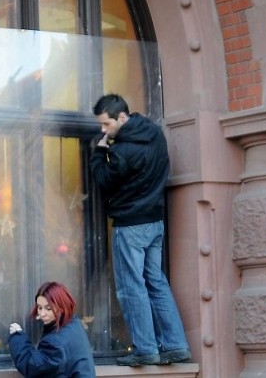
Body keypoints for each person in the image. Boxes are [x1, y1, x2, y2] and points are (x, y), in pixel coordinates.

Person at [89, 94, 191, 367]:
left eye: (106, 124)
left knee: (131, 288)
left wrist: (99, 152)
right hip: (155, 221)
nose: (103, 130)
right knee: (156, 283)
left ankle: (145, 349)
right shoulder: (154, 133)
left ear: (122, 117)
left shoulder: (122, 152)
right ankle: (176, 345)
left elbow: (103, 180)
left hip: (131, 225)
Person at [8, 281, 96, 377]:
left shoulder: (54, 343)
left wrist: (17, 336)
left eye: (48, 308)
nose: (42, 313)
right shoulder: (74, 324)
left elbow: (31, 366)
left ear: (61, 307)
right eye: (39, 307)